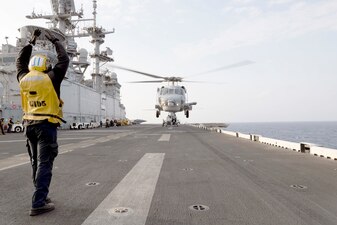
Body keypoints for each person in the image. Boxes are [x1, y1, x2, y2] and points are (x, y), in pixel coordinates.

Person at [16, 28, 69, 216]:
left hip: (28, 125)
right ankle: (38, 202)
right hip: (46, 125)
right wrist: (56, 41)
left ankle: (41, 196)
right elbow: (64, 60)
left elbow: (20, 62)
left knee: (35, 162)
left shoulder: (23, 78)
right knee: (45, 163)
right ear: (46, 66)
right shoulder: (51, 78)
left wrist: (31, 42)